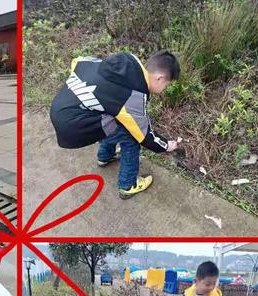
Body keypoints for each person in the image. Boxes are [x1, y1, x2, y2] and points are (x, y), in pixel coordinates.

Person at [50, 50, 182, 199]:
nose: (165, 89)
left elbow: (77, 61)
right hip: (73, 125)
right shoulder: (133, 95)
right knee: (131, 138)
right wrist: (166, 145)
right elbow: (144, 135)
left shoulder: (123, 66)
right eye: (167, 84)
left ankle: (105, 156)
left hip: (60, 107)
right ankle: (128, 185)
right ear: (160, 78)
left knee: (112, 116)